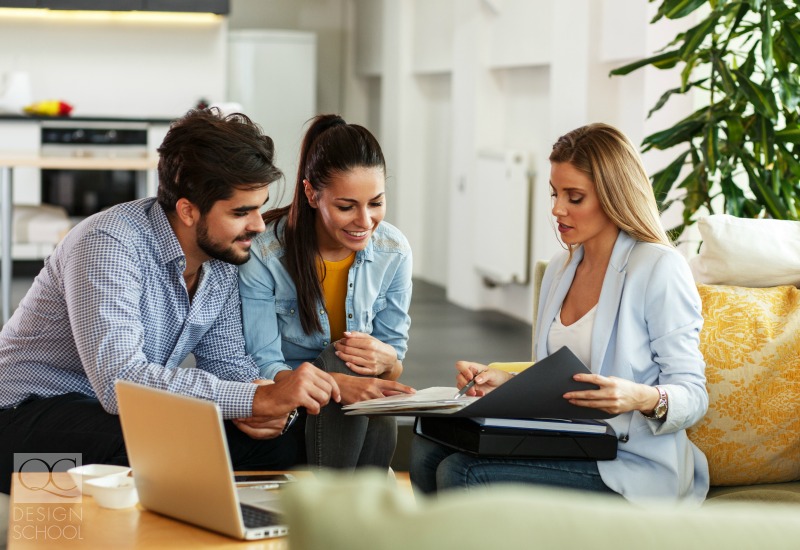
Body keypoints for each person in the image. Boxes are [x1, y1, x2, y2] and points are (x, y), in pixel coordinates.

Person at [0, 108, 340, 495]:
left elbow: (229, 362)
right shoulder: (108, 244)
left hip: (113, 414)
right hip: (21, 415)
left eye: (259, 207)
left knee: (281, 443)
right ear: (188, 210)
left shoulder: (223, 259)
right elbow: (120, 382)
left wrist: (262, 401)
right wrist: (253, 398)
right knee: (159, 446)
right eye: (241, 212)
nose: (259, 225)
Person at [409, 123, 709, 505]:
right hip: (568, 443)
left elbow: (694, 395)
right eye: (555, 193)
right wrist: (507, 382)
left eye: (574, 197)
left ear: (613, 196)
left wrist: (638, 397)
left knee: (461, 472)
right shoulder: (559, 269)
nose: (556, 209)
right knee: (426, 449)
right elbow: (560, 379)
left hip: (630, 462)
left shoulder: (658, 268)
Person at [239, 114, 414, 470]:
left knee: (363, 365)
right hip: (291, 404)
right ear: (311, 194)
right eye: (346, 207)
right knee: (341, 357)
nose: (365, 221)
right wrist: (337, 382)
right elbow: (263, 362)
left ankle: (354, 507)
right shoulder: (265, 252)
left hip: (355, 409)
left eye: (376, 203)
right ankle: (355, 504)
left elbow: (393, 362)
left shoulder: (394, 250)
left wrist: (387, 361)